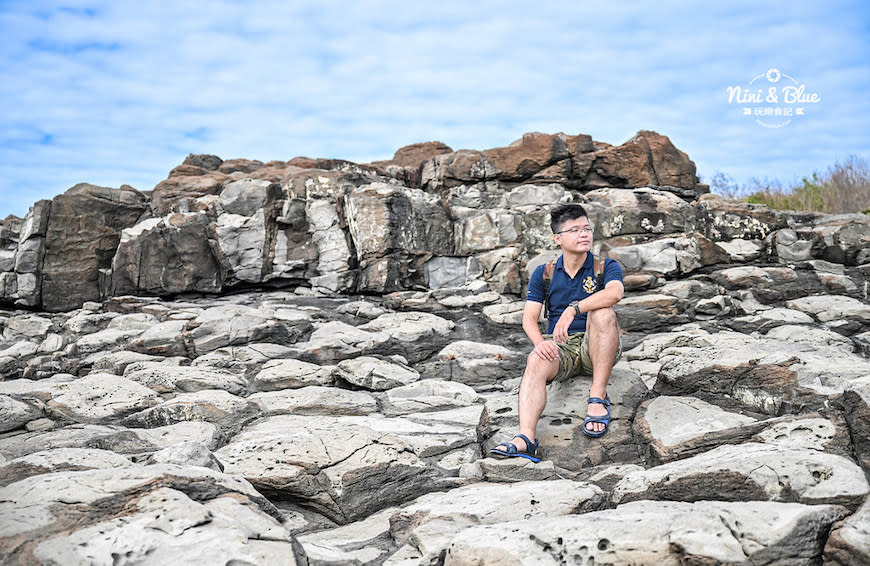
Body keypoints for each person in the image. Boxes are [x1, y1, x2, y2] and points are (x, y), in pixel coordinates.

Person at [490, 203, 624, 462]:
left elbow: (615, 293)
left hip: (595, 344)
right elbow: (529, 319)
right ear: (558, 238)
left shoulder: (605, 266)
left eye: (587, 228)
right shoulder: (545, 272)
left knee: (603, 312)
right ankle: (526, 438)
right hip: (561, 348)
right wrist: (540, 343)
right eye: (575, 230)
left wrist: (574, 309)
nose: (584, 234)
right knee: (535, 358)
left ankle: (597, 396)